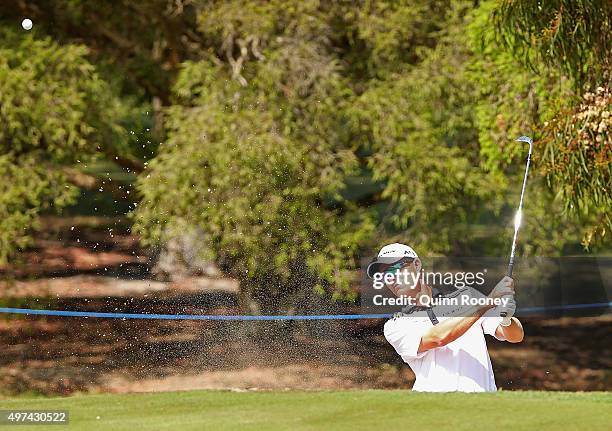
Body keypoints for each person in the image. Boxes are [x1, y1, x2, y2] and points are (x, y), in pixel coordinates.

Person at [367, 243, 524, 392]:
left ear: (416, 265)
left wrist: (506, 319)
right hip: (436, 411)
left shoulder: (466, 296)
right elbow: (438, 338)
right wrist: (488, 302)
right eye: (385, 275)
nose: (391, 278)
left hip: (483, 407)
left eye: (394, 269)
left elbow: (515, 336)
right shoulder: (396, 325)